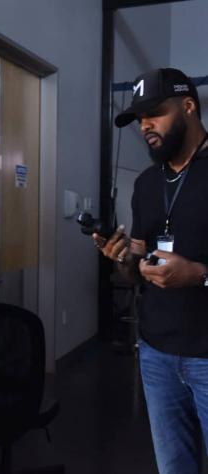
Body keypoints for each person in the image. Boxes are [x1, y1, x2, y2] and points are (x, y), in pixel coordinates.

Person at [94, 68, 208, 474]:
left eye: (154, 114)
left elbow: (196, 273)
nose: (145, 126)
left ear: (189, 107)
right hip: (157, 354)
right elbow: (138, 268)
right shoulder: (145, 184)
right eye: (139, 119)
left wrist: (199, 275)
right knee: (174, 467)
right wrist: (123, 258)